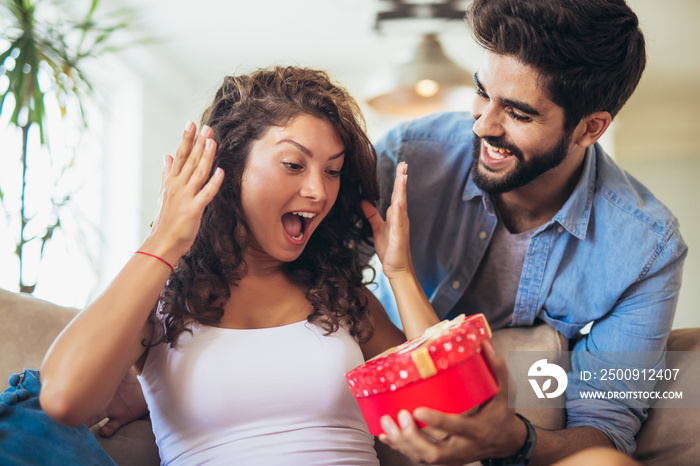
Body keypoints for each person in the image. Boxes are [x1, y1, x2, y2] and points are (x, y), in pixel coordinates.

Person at [39, 66, 440, 465]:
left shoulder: (340, 297)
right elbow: (63, 400)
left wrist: (400, 273)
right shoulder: (162, 303)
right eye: (294, 165)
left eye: (332, 171)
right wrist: (164, 239)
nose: (319, 191)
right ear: (228, 170)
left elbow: (446, 414)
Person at [369, 0, 688, 465]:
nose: (482, 124)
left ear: (590, 128)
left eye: (518, 113)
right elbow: (314, 275)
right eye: (482, 92)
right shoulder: (408, 156)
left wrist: (513, 439)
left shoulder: (646, 247)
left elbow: (605, 429)